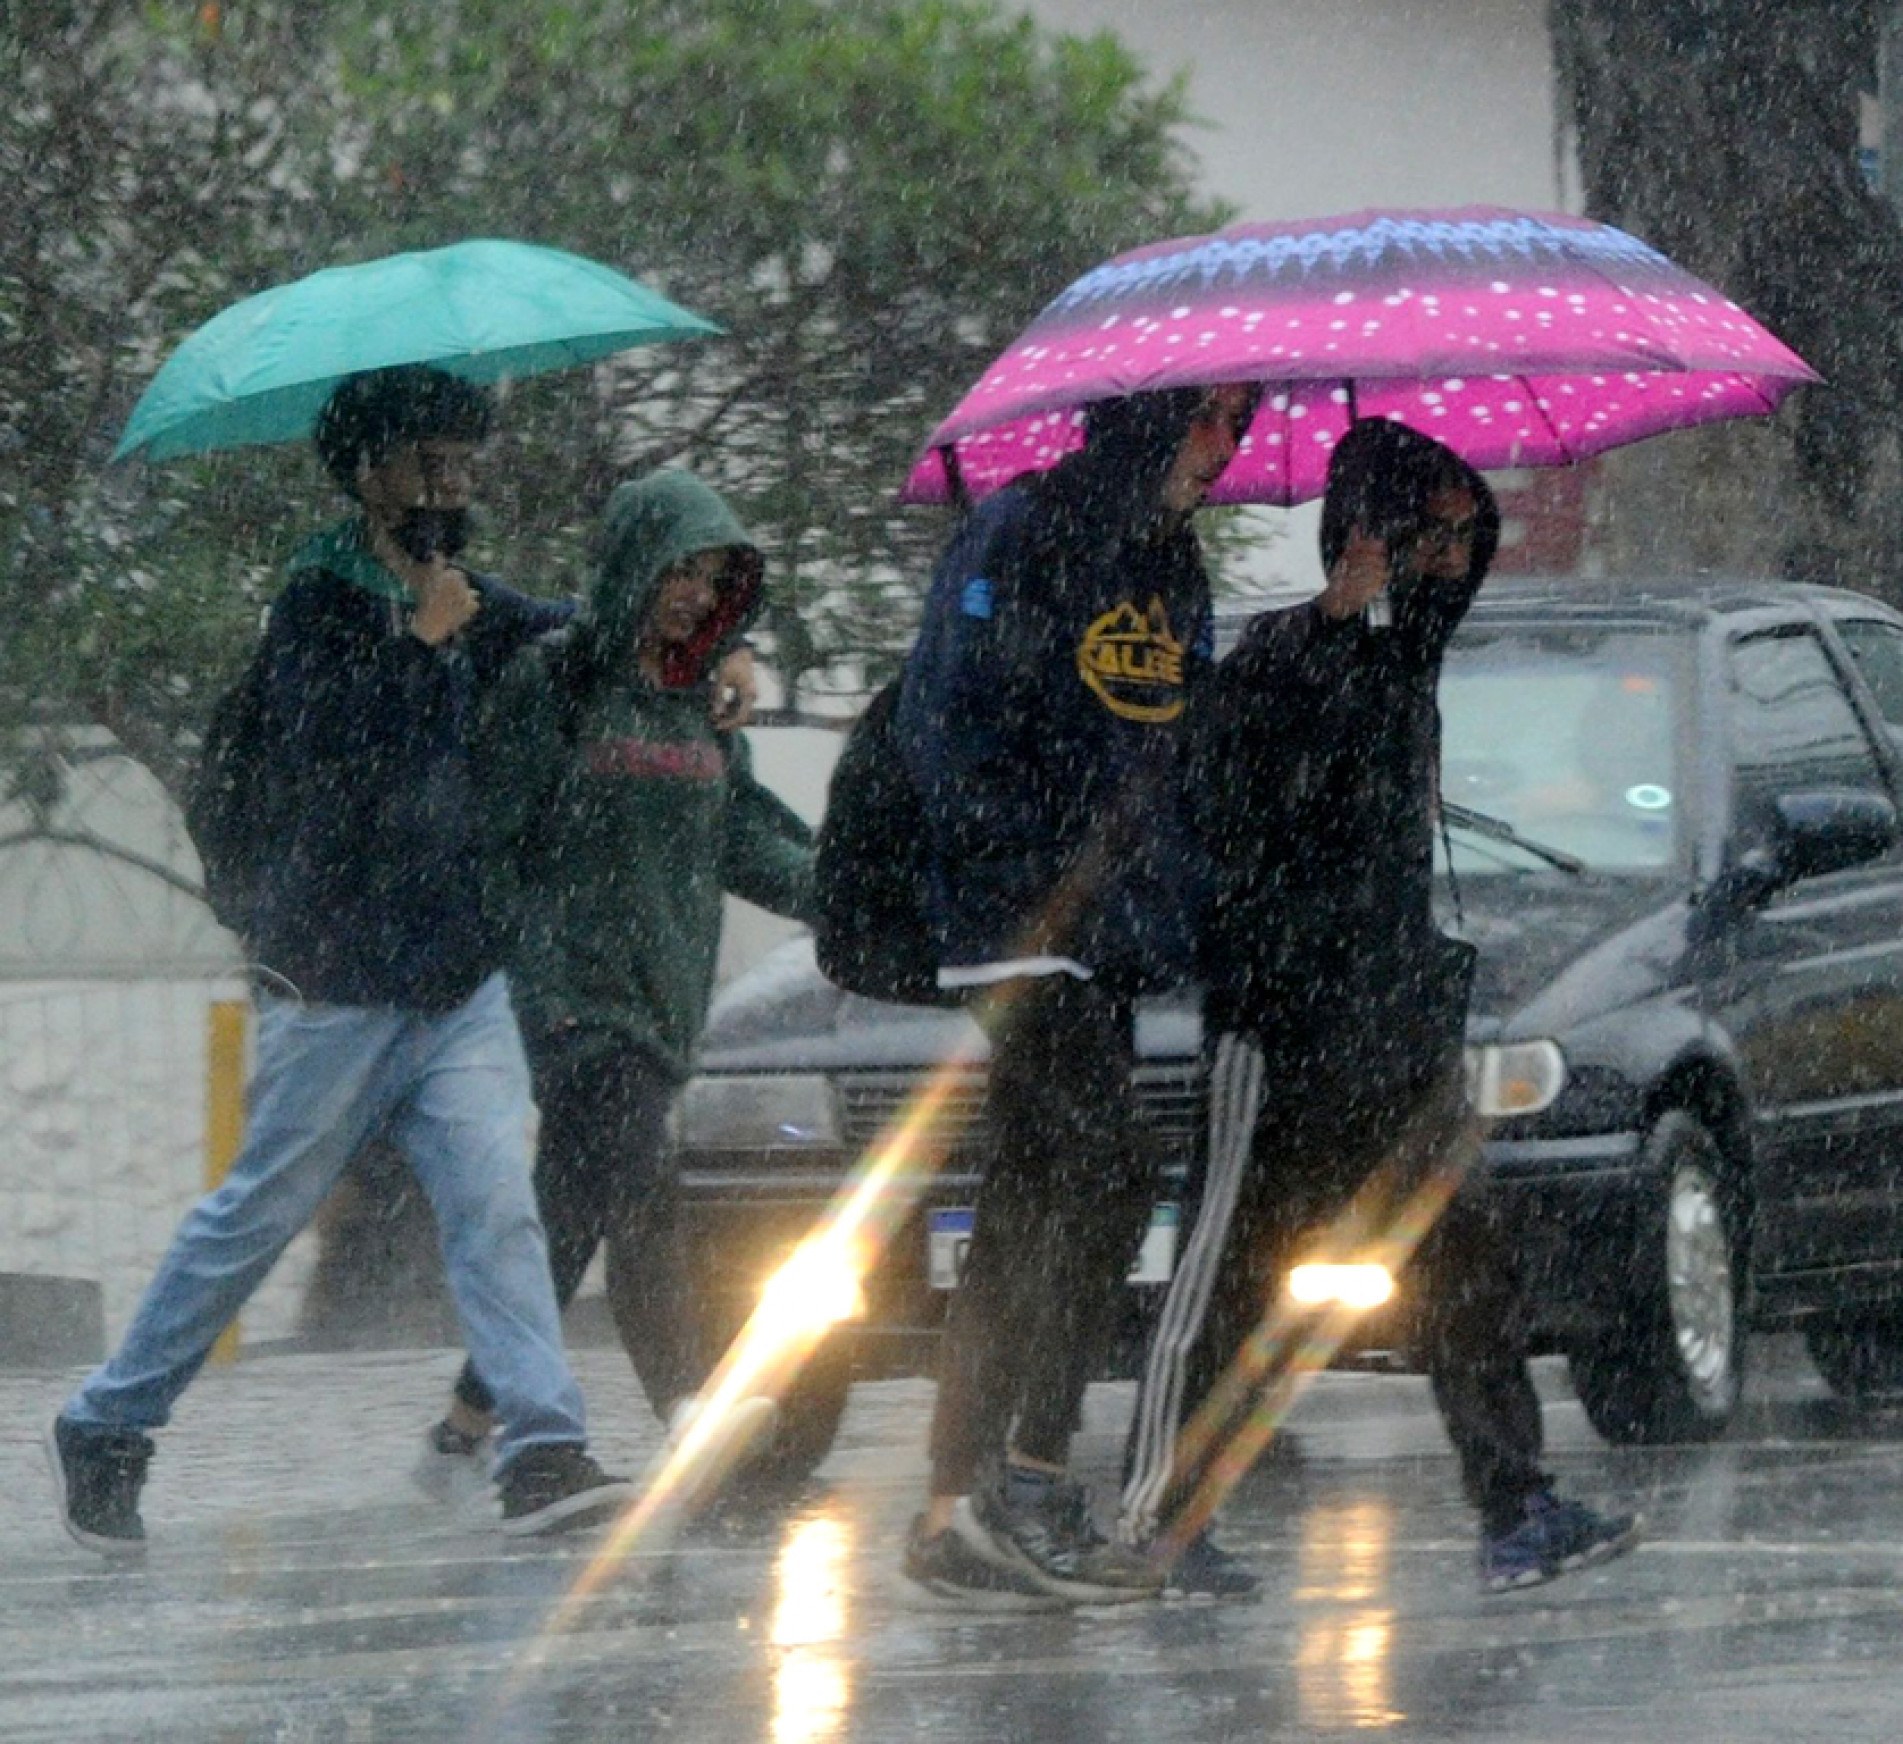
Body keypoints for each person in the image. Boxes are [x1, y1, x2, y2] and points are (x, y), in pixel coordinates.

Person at [46, 365, 635, 1556]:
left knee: (495, 1211)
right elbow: (338, 765)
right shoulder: (315, 601)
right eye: (432, 458)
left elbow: (578, 638)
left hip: (454, 981)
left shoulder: (462, 591)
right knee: (252, 1221)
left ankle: (540, 1448)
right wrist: (418, 645)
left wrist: (697, 648)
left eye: (467, 459)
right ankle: (106, 1423)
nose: (455, 481)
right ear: (368, 471)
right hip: (338, 978)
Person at [1116, 417, 1641, 1595]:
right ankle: (1161, 1518)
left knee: (1467, 1268)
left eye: (1466, 534)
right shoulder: (1275, 657)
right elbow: (1226, 779)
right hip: (1282, 1035)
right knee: (1227, 1273)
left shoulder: (1410, 655)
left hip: (1395, 1027)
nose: (1455, 558)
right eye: (1433, 534)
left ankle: (1515, 1509)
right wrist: (1326, 620)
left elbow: (1455, 588)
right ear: (1372, 536)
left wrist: (1446, 544)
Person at [894, 383, 1258, 1607]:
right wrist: (1029, 852)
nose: (1227, 447)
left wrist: (1183, 884)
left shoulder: (1173, 566)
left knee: (1033, 1191)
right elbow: (946, 721)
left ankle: (953, 1510)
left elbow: (1179, 738)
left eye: (1242, 424)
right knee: (1106, 1169)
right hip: (1017, 923)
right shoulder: (1020, 531)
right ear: (1150, 421)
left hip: (1112, 931)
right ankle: (1031, 1478)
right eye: (1210, 420)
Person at [414, 468, 815, 1492]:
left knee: (570, 1207)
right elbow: (488, 841)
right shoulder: (553, 683)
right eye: (676, 568)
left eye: (710, 576)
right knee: (641, 1188)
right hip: (568, 999)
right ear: (634, 560)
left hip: (660, 1000)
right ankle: (693, 1407)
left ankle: (465, 1425)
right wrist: (526, 961)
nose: (688, 592)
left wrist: (866, 901)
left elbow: (752, 844)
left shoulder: (699, 702)